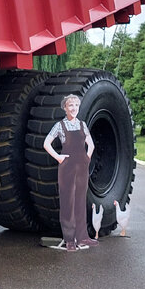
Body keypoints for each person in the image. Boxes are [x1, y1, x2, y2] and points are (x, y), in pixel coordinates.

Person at [41, 94, 97, 251]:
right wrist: (58, 157)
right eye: (70, 105)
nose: (74, 108)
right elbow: (46, 143)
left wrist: (87, 158)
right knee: (68, 201)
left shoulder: (82, 125)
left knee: (80, 199)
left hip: (82, 165)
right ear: (65, 108)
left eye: (76, 105)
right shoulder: (60, 126)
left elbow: (90, 144)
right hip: (67, 165)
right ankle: (69, 240)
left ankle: (83, 237)